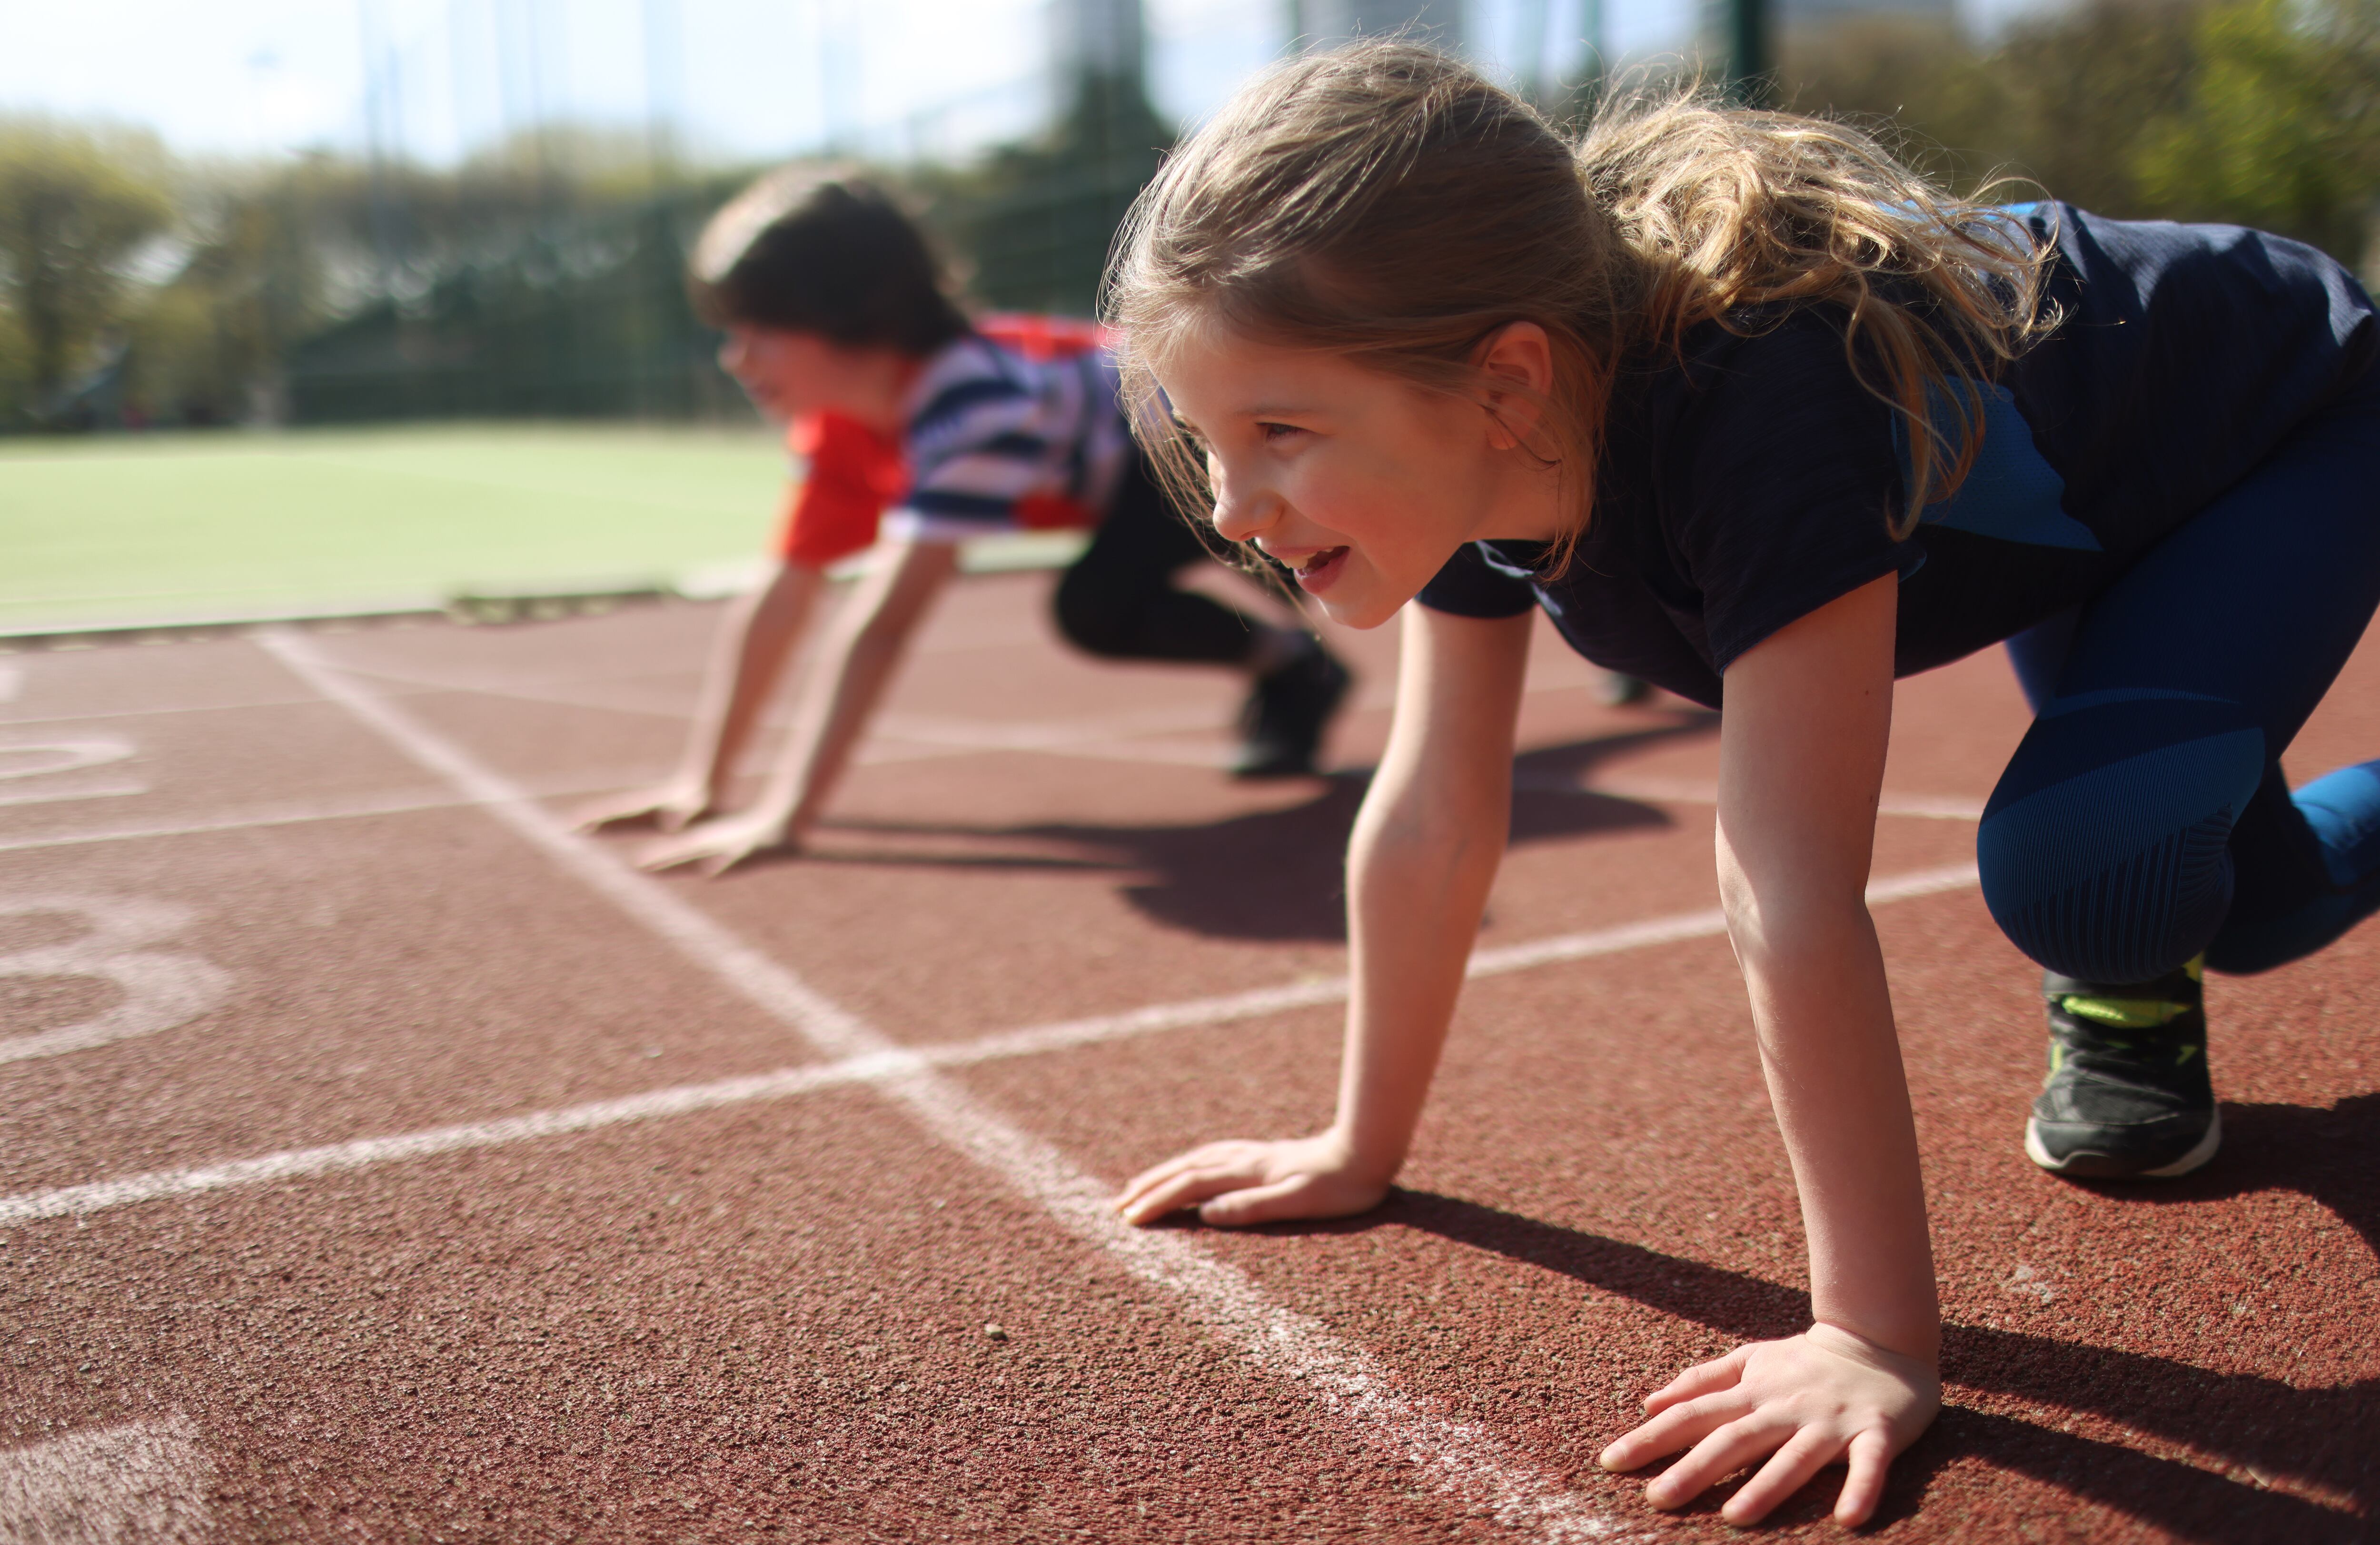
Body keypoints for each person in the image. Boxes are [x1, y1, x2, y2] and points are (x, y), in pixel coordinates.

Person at [1103, 41, 2380, 1527]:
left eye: (1281, 434)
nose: (1237, 511)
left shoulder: (1762, 396)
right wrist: (1357, 1145)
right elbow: (1440, 809)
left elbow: (1786, 879)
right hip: (2086, 482)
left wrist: (1874, 1334)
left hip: (2277, 424)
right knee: (2243, 893)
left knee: (2092, 878)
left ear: (1505, 375)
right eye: (1207, 442)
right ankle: (2156, 939)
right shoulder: (1470, 440)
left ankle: (2125, 964)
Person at [578, 169, 1350, 872]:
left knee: (1101, 605)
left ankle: (1298, 662)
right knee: (1134, 594)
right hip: (1123, 466)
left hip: (1180, 435)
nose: (735, 360)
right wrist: (705, 781)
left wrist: (788, 813)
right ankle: (1297, 663)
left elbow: (880, 626)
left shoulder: (967, 404)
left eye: (759, 332)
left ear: (847, 317)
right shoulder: (839, 426)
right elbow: (783, 596)